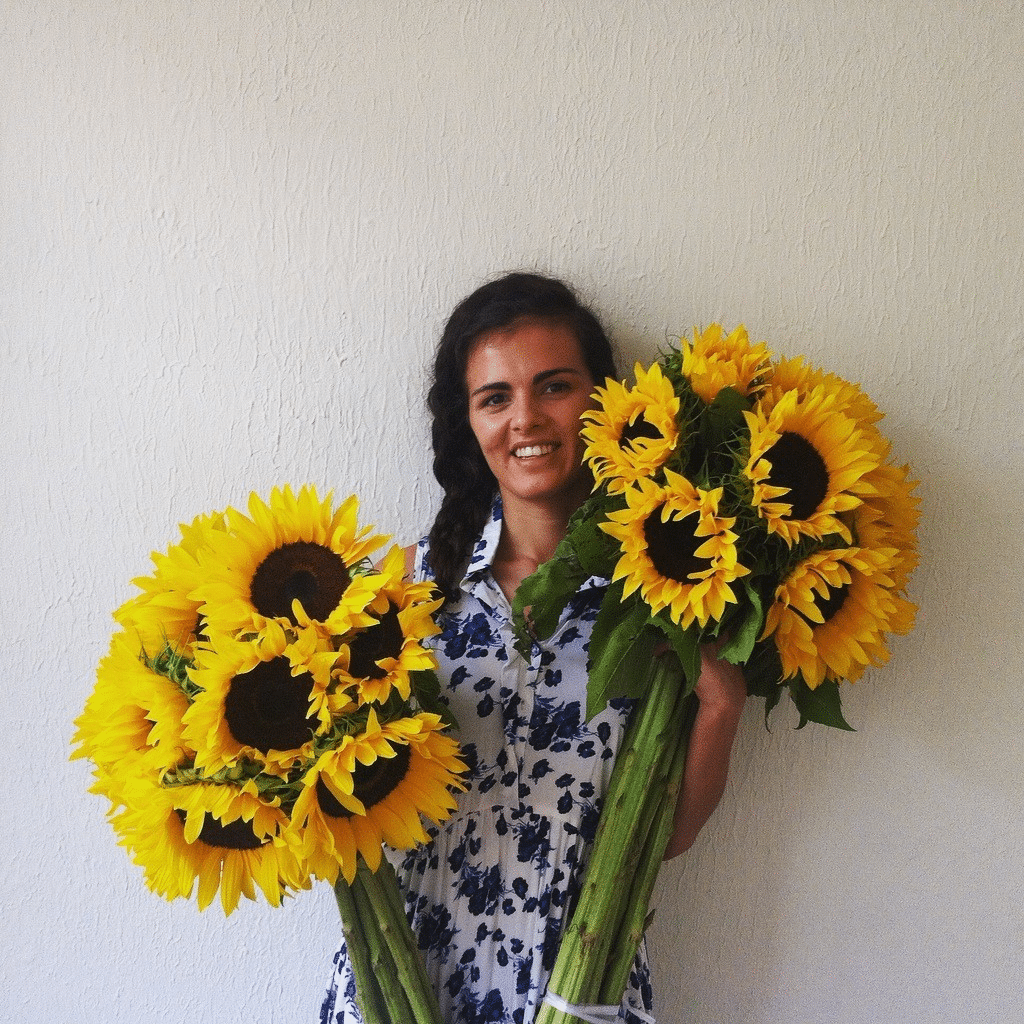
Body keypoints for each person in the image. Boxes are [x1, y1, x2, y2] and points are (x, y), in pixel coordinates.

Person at [320, 272, 746, 1024]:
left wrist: (721, 708)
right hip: (403, 986)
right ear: (468, 422)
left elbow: (667, 838)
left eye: (554, 387)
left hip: (584, 985)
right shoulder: (399, 595)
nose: (526, 419)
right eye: (495, 398)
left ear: (603, 403)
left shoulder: (662, 597)